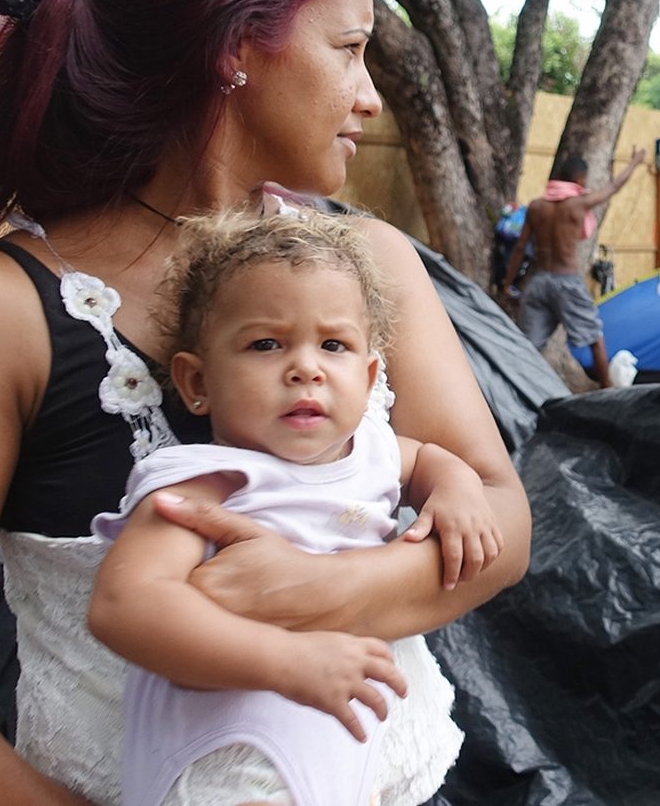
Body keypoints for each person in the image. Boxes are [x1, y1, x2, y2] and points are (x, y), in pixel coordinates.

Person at [0, 0, 529, 805]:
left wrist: (315, 590)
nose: (369, 96)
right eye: (348, 49)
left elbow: (499, 516)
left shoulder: (371, 266)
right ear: (234, 49)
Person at [89, 210, 493, 805]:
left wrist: (457, 488)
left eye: (334, 344)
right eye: (266, 344)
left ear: (369, 373)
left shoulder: (374, 452)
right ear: (196, 382)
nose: (306, 367)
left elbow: (429, 458)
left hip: (340, 751)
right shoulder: (205, 482)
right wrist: (284, 659)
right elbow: (125, 604)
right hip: (231, 760)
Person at [504, 148, 647, 387]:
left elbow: (520, 247)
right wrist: (634, 162)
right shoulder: (578, 205)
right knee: (595, 340)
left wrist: (509, 283)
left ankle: (516, 389)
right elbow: (613, 187)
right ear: (580, 179)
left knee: (528, 346)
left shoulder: (536, 206)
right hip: (566, 282)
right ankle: (608, 393)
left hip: (538, 283)